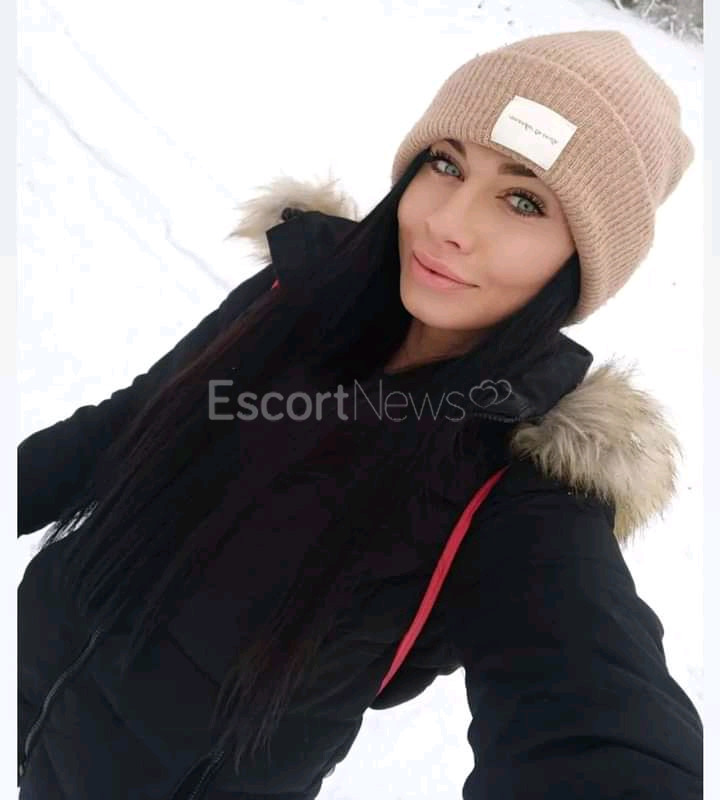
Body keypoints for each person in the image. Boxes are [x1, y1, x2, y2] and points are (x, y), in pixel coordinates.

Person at [17, 29, 702, 800]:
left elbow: (594, 710)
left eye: (524, 200)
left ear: (581, 262)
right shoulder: (298, 292)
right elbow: (124, 427)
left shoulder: (521, 480)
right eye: (447, 164)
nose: (448, 223)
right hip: (30, 686)